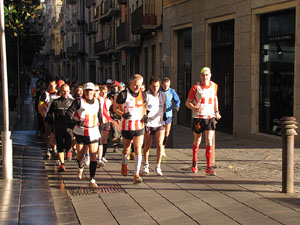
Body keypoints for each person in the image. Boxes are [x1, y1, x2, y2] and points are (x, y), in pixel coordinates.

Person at [185, 67, 221, 176]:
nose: (205, 77)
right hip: (198, 118)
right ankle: (194, 163)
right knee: (197, 141)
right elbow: (187, 102)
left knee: (209, 141)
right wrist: (194, 108)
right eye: (203, 75)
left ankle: (208, 167)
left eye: (207, 75)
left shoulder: (214, 86)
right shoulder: (195, 87)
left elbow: (215, 98)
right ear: (200, 76)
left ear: (210, 75)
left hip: (210, 117)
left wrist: (217, 111)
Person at [66, 82, 102, 188]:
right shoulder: (79, 101)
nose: (89, 93)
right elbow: (68, 113)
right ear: (84, 91)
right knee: (79, 155)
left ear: (94, 92)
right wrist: (76, 121)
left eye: (91, 91)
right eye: (87, 91)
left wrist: (102, 124)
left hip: (93, 130)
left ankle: (92, 179)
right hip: (81, 131)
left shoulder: (98, 102)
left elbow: (99, 115)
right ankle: (80, 166)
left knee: (93, 155)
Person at [113, 74, 147, 184]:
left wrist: (145, 114)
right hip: (126, 126)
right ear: (130, 84)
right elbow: (115, 108)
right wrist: (122, 114)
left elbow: (144, 106)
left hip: (139, 126)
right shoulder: (123, 95)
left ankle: (136, 174)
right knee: (126, 149)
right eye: (135, 85)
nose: (138, 87)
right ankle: (124, 163)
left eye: (140, 85)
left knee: (138, 149)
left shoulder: (144, 94)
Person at [46, 84, 74, 172]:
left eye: (67, 91)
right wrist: (49, 121)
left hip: (69, 127)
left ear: (69, 91)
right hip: (58, 126)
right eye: (64, 91)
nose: (65, 93)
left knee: (68, 143)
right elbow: (50, 113)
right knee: (60, 146)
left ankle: (69, 150)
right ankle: (62, 164)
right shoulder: (55, 102)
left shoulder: (72, 102)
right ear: (61, 92)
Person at [143, 76, 166, 176]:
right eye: (153, 86)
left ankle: (158, 166)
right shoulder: (146, 95)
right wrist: (144, 114)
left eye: (157, 86)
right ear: (150, 86)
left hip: (159, 124)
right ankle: (146, 164)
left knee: (160, 145)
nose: (155, 88)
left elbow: (164, 105)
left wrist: (164, 114)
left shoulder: (163, 95)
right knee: (147, 145)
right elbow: (143, 107)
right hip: (148, 123)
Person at [160, 77, 181, 156]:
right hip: (160, 114)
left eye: (168, 85)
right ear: (162, 84)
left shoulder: (172, 91)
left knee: (167, 132)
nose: (166, 87)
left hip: (169, 114)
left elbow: (177, 100)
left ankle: (163, 147)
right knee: (160, 131)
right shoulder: (159, 91)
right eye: (164, 85)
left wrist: (176, 106)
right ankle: (160, 146)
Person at [38, 77, 57, 157]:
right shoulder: (45, 94)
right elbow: (40, 105)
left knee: (55, 133)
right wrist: (43, 115)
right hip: (48, 116)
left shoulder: (58, 93)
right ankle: (48, 147)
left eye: (53, 85)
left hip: (56, 116)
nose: (52, 87)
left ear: (56, 85)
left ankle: (54, 147)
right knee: (48, 133)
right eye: (50, 85)